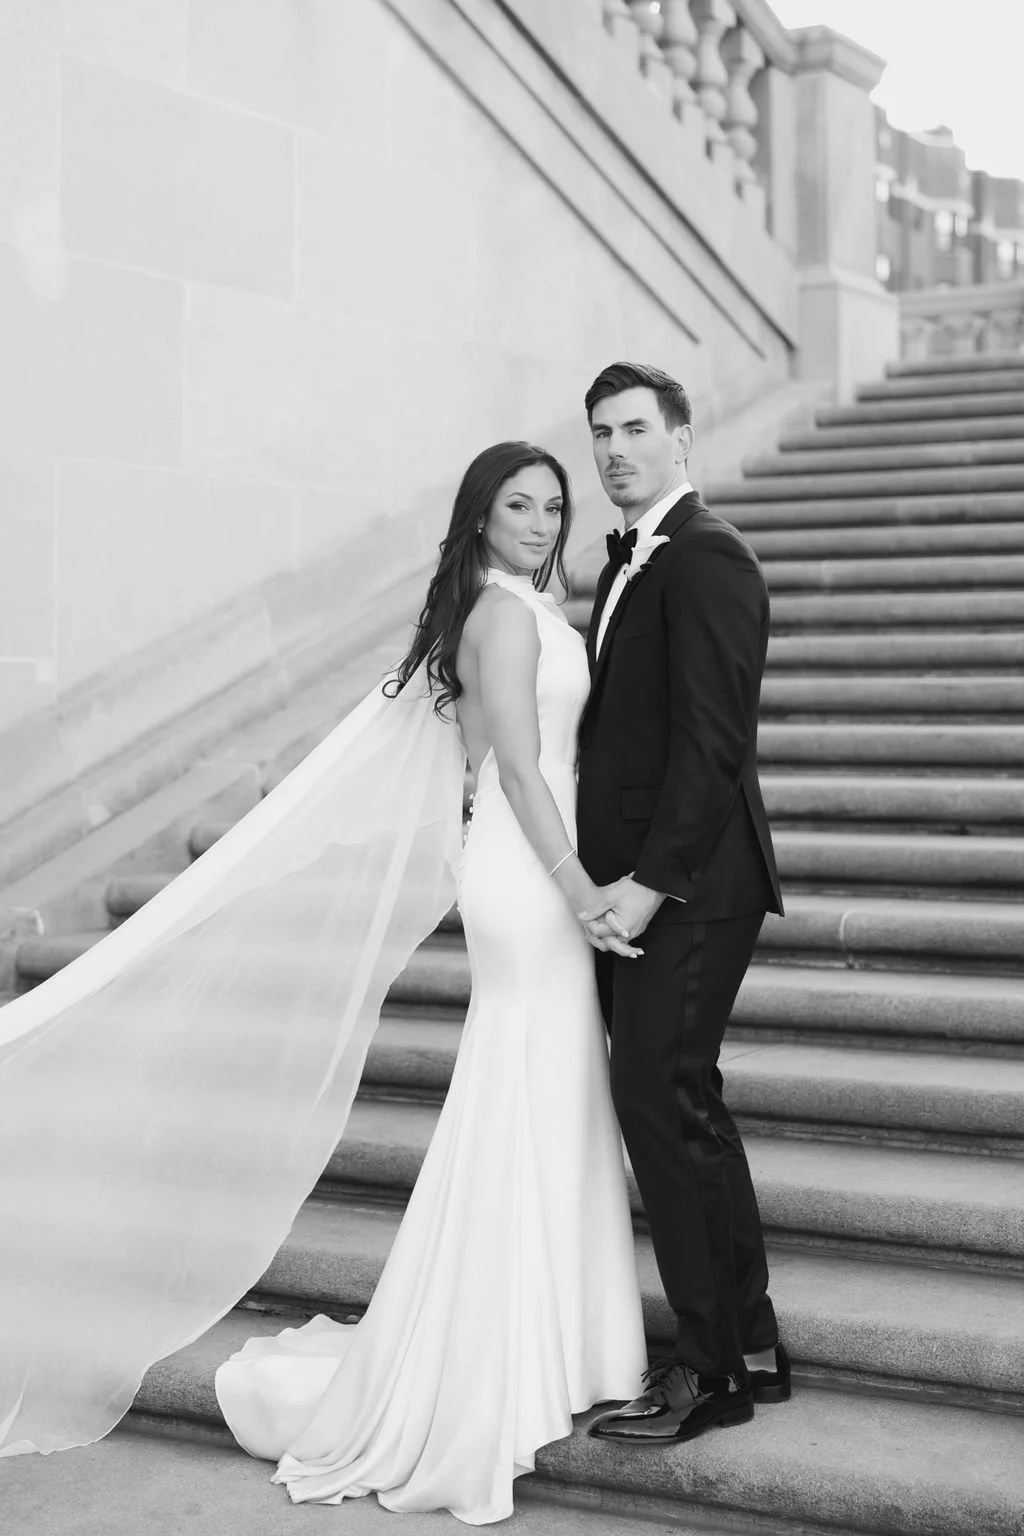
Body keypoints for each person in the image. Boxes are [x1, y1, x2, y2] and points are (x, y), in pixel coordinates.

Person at [0, 440, 646, 1527]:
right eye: (516, 506)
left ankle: (564, 1338)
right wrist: (580, 884)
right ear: (480, 519)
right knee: (523, 1092)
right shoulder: (495, 617)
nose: (538, 522)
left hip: (539, 857)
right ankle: (501, 1355)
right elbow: (519, 769)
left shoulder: (537, 609)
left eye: (550, 505)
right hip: (530, 876)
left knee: (553, 1091)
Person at [574, 361, 789, 1446]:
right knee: (682, 1102)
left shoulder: (706, 560)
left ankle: (710, 1374)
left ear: (680, 441)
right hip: (650, 885)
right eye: (599, 433)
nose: (612, 449)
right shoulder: (630, 563)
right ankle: (747, 1345)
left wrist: (647, 888)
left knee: (656, 1100)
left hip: (691, 891)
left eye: (632, 430)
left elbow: (712, 748)